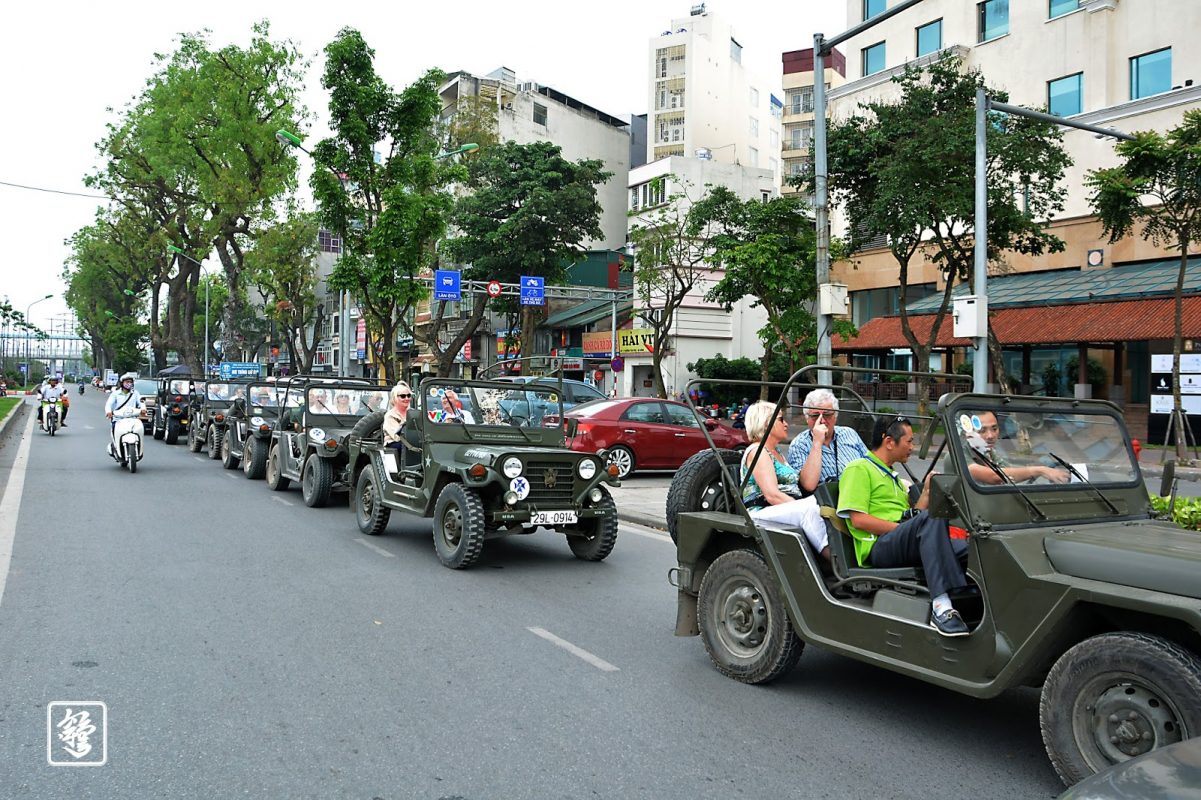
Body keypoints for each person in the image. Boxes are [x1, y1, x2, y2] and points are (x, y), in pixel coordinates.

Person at [837, 416, 971, 636]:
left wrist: (927, 492)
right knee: (931, 517)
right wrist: (901, 529)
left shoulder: (894, 477)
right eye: (909, 441)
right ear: (889, 442)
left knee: (971, 544)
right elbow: (858, 519)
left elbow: (913, 517)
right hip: (878, 547)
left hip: (900, 539)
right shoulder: (859, 468)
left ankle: (973, 595)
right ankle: (941, 606)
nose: (913, 446)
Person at [740, 402, 830, 560]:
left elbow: (808, 484)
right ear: (766, 422)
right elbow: (772, 495)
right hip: (762, 511)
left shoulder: (777, 452)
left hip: (782, 509)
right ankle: (833, 560)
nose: (786, 424)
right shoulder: (757, 451)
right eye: (781, 419)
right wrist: (803, 505)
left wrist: (817, 442)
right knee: (810, 509)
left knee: (827, 506)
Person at [787, 388, 870, 494]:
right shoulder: (799, 444)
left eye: (827, 415)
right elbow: (808, 485)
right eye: (815, 416)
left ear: (835, 416)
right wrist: (817, 442)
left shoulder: (849, 433)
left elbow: (871, 465)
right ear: (807, 418)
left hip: (861, 494)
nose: (822, 420)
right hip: (826, 504)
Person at [963, 410, 1069, 485]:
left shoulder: (989, 454)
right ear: (968, 433)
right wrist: (1040, 470)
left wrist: (1046, 468)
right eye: (982, 431)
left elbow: (1010, 470)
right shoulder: (958, 455)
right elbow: (995, 477)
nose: (990, 436)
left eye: (994, 429)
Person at [104, 372, 145, 455]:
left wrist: (143, 409)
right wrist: (108, 412)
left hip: (133, 419)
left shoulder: (135, 393)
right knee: (114, 430)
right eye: (127, 382)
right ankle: (115, 447)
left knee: (140, 429)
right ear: (122, 383)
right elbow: (109, 404)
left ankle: (140, 449)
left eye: (130, 382)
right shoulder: (115, 394)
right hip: (118, 419)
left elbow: (141, 402)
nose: (129, 384)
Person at [382, 382, 414, 446]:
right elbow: (396, 436)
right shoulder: (390, 415)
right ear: (395, 398)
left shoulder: (413, 413)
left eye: (409, 395)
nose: (407, 398)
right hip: (396, 445)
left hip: (413, 443)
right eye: (403, 396)